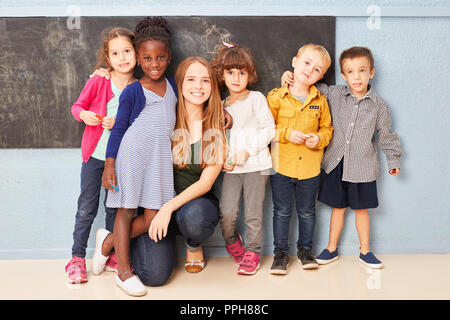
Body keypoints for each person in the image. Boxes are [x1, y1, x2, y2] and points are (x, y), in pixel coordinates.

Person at [281, 46, 402, 269]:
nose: (356, 77)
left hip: (362, 167)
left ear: (371, 73)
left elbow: (386, 135)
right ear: (344, 75)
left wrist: (393, 160)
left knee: (360, 210)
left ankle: (365, 251)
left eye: (362, 71)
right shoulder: (334, 94)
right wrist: (289, 77)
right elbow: (308, 84)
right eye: (350, 72)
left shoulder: (379, 106)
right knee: (337, 208)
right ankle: (331, 248)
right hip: (335, 164)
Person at [95, 16, 177, 297]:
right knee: (126, 211)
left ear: (169, 56)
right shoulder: (134, 90)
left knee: (153, 217)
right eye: (147, 58)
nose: (154, 64)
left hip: (159, 161)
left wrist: (224, 112)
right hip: (131, 156)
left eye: (160, 57)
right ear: (139, 59)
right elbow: (118, 129)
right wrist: (110, 164)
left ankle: (107, 245)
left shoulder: (174, 86)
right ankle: (123, 271)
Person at [65, 27, 137, 284]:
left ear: (136, 53)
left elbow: (139, 122)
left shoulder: (139, 87)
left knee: (113, 208)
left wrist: (119, 122)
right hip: (95, 157)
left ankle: (110, 252)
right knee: (86, 206)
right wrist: (84, 115)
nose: (122, 57)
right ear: (108, 59)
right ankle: (76, 258)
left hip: (120, 160)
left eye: (127, 51)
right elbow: (77, 107)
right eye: (115, 53)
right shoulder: (99, 80)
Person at [148, 56, 225, 274]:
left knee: (196, 219)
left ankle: (193, 243)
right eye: (190, 79)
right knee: (154, 274)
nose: (198, 87)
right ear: (179, 83)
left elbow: (206, 182)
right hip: (157, 203)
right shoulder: (164, 116)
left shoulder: (216, 125)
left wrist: (169, 207)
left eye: (205, 80)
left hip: (194, 205)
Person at [267, 43, 333, 275]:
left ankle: (305, 251)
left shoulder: (320, 100)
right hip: (282, 167)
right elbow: (266, 129)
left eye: (316, 69)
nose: (309, 70)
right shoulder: (276, 97)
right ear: (295, 61)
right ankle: (280, 255)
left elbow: (327, 129)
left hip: (310, 169)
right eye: (306, 63)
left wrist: (320, 139)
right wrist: (287, 134)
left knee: (307, 212)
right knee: (282, 212)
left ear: (321, 76)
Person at [210, 42, 275, 275]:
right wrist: (226, 158)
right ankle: (231, 240)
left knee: (253, 214)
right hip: (232, 169)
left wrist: (246, 152)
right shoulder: (221, 105)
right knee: (227, 213)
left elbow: (269, 129)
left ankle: (253, 252)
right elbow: (220, 138)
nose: (236, 78)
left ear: (250, 74)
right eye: (230, 73)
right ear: (222, 75)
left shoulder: (256, 98)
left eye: (242, 73)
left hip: (257, 166)